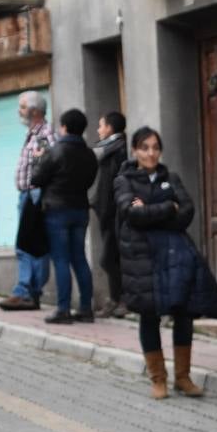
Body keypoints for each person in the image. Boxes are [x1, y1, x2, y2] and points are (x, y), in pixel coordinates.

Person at [113, 126, 217, 398]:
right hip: (142, 259)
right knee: (149, 315)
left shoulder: (170, 177)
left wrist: (150, 211)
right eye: (145, 148)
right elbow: (130, 213)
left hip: (174, 258)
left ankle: (183, 377)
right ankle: (158, 378)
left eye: (155, 148)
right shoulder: (124, 180)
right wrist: (167, 208)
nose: (151, 153)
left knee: (184, 313)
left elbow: (187, 210)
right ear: (135, 150)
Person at [32, 108, 100, 324]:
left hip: (57, 211)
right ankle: (86, 308)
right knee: (79, 257)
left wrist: (39, 160)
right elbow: (90, 180)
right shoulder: (89, 154)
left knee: (61, 259)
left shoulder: (56, 151)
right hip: (80, 210)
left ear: (64, 127)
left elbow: (37, 178)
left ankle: (63, 309)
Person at [0, 91, 56, 312]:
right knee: (29, 245)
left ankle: (26, 292)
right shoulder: (33, 134)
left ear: (34, 111)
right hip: (28, 195)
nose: (19, 111)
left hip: (34, 195)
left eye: (22, 107)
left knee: (30, 246)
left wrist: (37, 193)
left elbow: (47, 165)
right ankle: (27, 292)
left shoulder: (44, 135)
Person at [92, 110, 128, 318]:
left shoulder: (117, 150)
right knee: (111, 258)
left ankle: (121, 299)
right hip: (105, 211)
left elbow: (118, 184)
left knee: (109, 258)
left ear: (110, 128)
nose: (98, 129)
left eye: (101, 125)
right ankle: (117, 299)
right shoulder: (107, 150)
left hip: (115, 212)